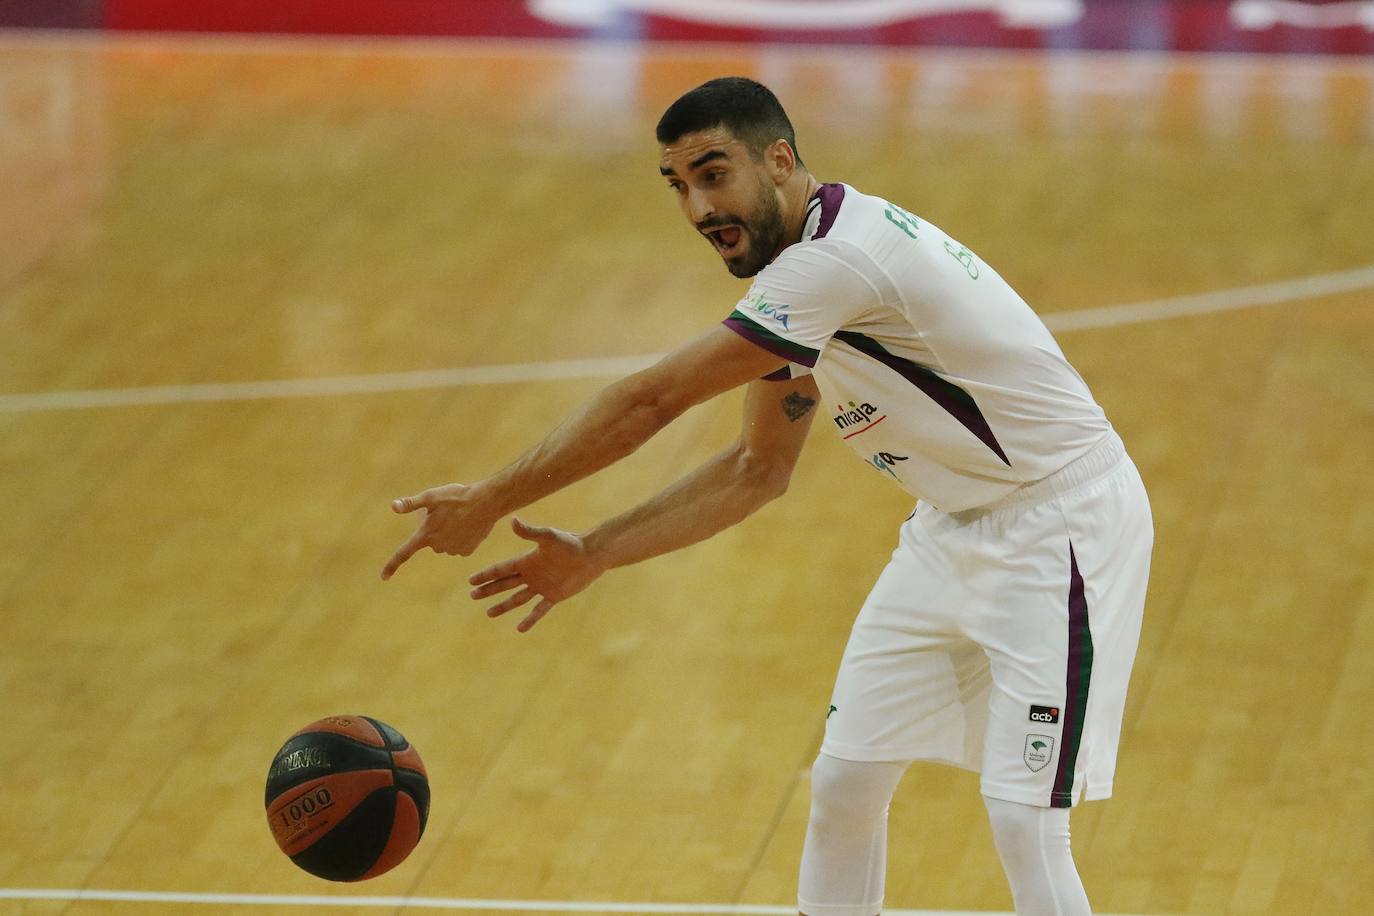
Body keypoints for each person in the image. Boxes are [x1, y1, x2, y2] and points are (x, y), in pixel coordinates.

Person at [381, 77, 1152, 916]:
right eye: (679, 186)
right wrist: (597, 550)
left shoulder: (832, 265)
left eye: (714, 175)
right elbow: (758, 468)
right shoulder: (797, 273)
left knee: (1024, 821)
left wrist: (491, 496)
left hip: (1059, 530)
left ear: (780, 160)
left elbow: (651, 402)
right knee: (846, 782)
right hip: (950, 529)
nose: (698, 207)